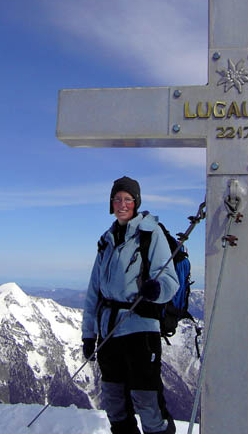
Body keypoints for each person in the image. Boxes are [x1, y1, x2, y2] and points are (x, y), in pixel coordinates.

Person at [82, 176, 179, 434]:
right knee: (114, 400)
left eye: (128, 199)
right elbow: (94, 292)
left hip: (140, 328)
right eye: (117, 199)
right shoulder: (107, 240)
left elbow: (170, 279)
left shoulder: (150, 233)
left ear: (136, 203)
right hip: (109, 331)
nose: (122, 204)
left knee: (146, 399)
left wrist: (156, 289)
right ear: (111, 203)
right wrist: (88, 335)